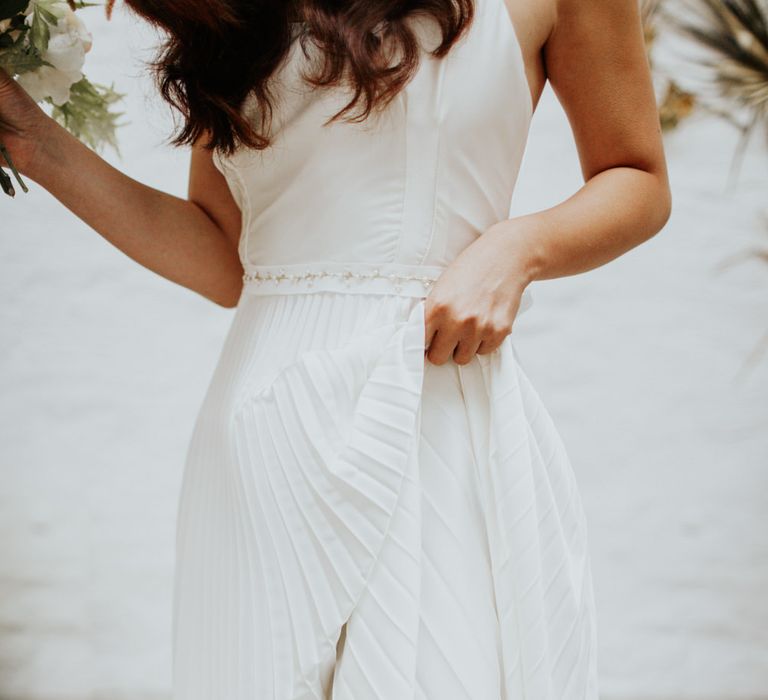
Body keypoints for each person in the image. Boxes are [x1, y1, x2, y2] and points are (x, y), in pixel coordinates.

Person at [0, 0, 671, 696]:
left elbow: (638, 178)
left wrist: (517, 248)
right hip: (263, 434)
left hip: (438, 407)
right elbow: (224, 257)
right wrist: (34, 143)